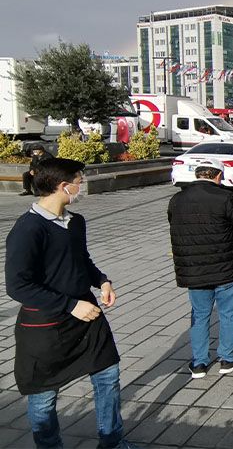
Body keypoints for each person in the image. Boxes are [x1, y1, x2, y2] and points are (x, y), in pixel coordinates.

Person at [5, 158, 130, 449]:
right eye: (78, 180)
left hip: (87, 320)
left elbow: (81, 261)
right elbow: (18, 285)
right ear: (64, 186)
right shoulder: (28, 230)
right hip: (46, 326)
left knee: (108, 374)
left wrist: (102, 281)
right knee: (44, 395)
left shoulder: (75, 222)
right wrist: (70, 305)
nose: (81, 185)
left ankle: (112, 441)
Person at [167, 158, 233, 379]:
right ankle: (228, 357)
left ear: (198, 175)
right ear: (218, 176)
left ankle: (199, 363)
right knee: (228, 313)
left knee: (200, 314)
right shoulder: (225, 197)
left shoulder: (177, 200)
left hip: (194, 269)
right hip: (226, 267)